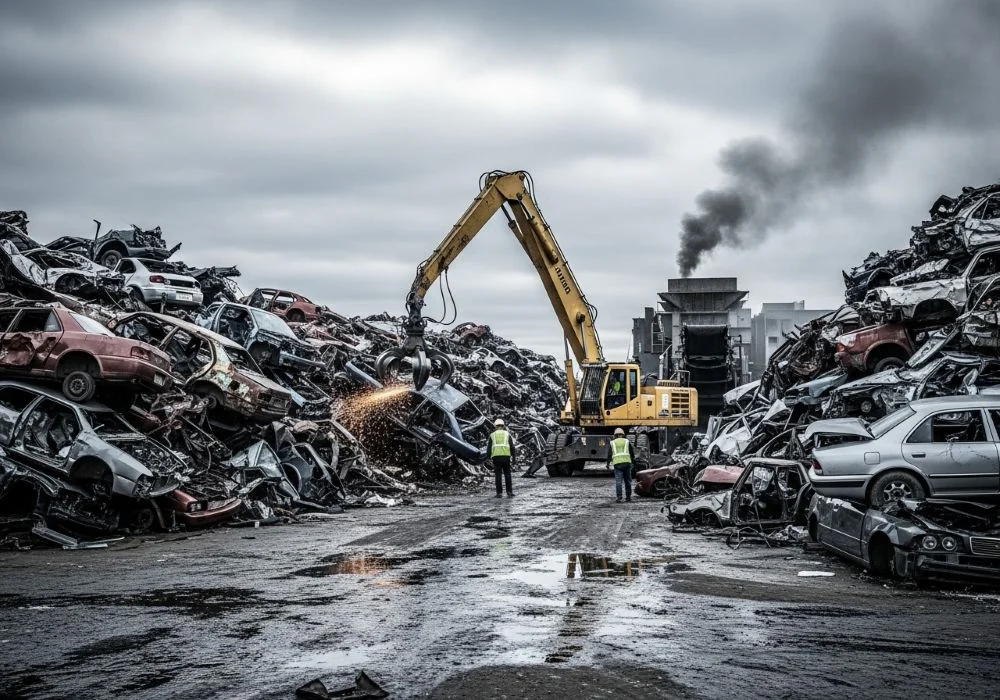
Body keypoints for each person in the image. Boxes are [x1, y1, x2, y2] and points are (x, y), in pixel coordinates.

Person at [487, 418, 516, 498]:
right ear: (503, 426)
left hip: (496, 457)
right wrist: (514, 458)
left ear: (495, 426)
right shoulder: (507, 434)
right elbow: (512, 447)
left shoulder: (492, 435)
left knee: (498, 475)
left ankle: (499, 493)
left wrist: (488, 458)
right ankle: (509, 492)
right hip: (506, 457)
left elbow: (489, 448)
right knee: (507, 475)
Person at [606, 428, 634, 503]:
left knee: (618, 482)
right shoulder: (626, 441)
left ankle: (619, 497)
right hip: (627, 463)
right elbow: (631, 453)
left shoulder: (612, 442)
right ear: (623, 434)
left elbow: (609, 454)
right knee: (628, 481)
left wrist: (608, 464)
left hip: (617, 464)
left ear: (615, 435)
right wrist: (633, 462)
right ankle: (628, 497)